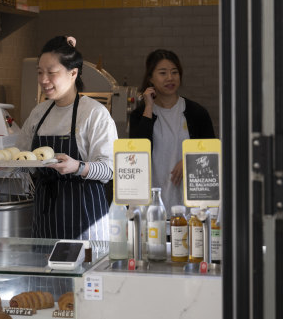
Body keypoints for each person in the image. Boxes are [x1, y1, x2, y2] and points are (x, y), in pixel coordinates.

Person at [17, 36, 118, 240]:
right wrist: (3, 163)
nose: (43, 80)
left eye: (51, 73)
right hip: (46, 219)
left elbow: (109, 169)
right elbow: (23, 158)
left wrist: (78, 167)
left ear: (73, 73)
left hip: (85, 221)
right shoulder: (39, 113)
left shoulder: (93, 113)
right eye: (39, 72)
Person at [129, 49, 215, 209]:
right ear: (150, 78)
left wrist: (190, 161)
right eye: (163, 73)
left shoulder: (197, 113)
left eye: (174, 72)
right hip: (151, 205)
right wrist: (148, 107)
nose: (170, 78)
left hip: (191, 204)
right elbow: (136, 155)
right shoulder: (139, 115)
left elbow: (212, 154)